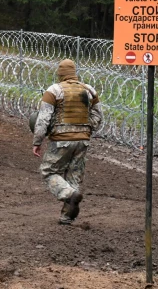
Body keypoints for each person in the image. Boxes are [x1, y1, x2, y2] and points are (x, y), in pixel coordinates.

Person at [32, 59, 103, 225]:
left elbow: (43, 119)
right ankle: (67, 216)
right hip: (83, 140)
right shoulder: (89, 90)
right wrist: (86, 128)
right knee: (74, 177)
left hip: (60, 141)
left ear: (60, 73)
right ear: (74, 72)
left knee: (48, 171)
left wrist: (37, 141)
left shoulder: (53, 91)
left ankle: (68, 194)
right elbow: (99, 117)